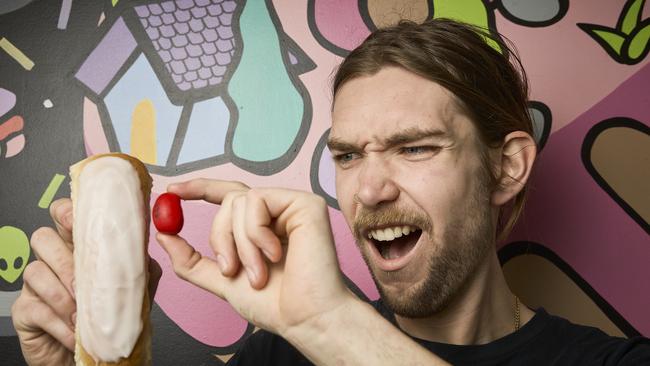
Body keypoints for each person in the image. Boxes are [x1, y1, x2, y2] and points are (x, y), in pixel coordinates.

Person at [11, 19, 650, 366]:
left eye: (415, 147)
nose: (367, 190)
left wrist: (329, 324)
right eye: (347, 155)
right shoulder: (277, 358)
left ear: (507, 167)